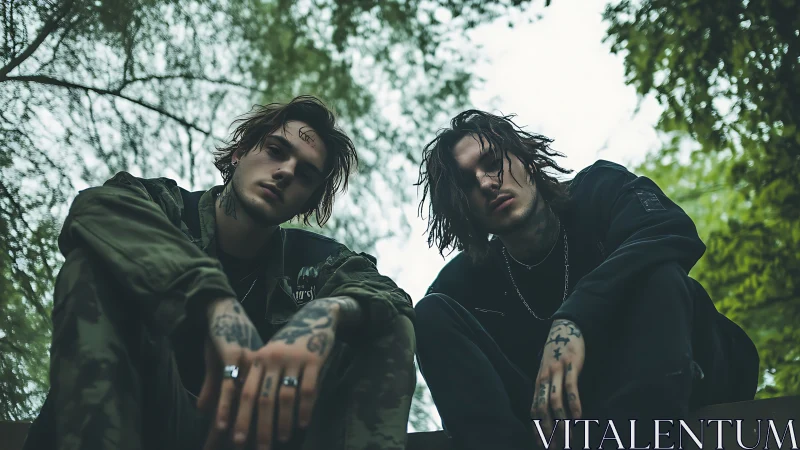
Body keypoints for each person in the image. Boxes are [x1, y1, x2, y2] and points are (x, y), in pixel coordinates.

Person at [23, 96, 416, 450]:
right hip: (145, 422)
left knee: (385, 324)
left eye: (306, 175)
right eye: (276, 151)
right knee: (96, 262)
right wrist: (214, 301)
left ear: (307, 201)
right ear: (239, 154)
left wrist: (327, 314)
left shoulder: (317, 262)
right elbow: (95, 209)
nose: (285, 172)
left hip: (255, 437)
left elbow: (389, 297)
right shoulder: (164, 208)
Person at [413, 110, 759, 450]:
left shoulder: (598, 191)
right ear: (465, 207)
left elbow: (670, 230)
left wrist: (573, 320)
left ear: (527, 161)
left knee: (657, 269)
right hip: (557, 424)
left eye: (492, 163)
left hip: (675, 383)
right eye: (468, 182)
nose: (487, 183)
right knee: (429, 314)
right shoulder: (462, 286)